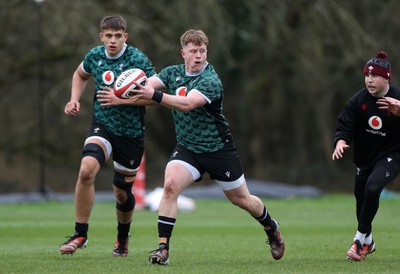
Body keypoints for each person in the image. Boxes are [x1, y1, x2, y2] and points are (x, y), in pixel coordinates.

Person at [131, 29, 285, 265]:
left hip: (218, 150)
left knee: (242, 199)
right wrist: (124, 93)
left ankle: (270, 227)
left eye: (202, 50)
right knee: (170, 186)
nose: (199, 55)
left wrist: (154, 95)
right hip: (188, 149)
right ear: (183, 53)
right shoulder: (172, 73)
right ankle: (163, 249)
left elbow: (187, 104)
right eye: (193, 51)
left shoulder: (210, 80)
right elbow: (145, 87)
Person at [59, 15, 156, 257]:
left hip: (131, 133)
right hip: (101, 125)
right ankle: (80, 233)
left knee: (122, 192)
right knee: (86, 170)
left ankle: (122, 239)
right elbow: (80, 75)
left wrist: (122, 98)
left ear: (125, 36)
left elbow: (155, 95)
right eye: (108, 36)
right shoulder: (94, 56)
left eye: (118, 36)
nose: (113, 41)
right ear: (102, 36)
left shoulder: (138, 59)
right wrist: (74, 99)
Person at [332, 51, 400, 261]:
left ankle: (358, 240)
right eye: (367, 76)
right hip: (364, 158)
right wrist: (341, 141)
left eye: (375, 76)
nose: (370, 80)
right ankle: (368, 241)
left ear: (386, 77)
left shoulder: (397, 100)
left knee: (373, 187)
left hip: (392, 155)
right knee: (361, 201)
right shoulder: (359, 100)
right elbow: (345, 124)